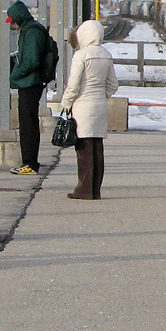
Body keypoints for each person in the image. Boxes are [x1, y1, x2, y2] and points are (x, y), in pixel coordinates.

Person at [51, 19, 118, 200]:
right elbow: (113, 86)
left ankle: (84, 189)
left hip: (83, 106)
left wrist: (65, 103)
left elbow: (73, 85)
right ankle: (95, 189)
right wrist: (100, 95)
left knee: (84, 149)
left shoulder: (81, 55)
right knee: (97, 148)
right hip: (99, 106)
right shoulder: (106, 55)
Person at [7, 0, 48, 175]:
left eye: (13, 20)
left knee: (28, 124)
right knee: (26, 123)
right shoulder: (29, 29)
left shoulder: (32, 32)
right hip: (29, 82)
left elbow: (31, 61)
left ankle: (30, 163)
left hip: (30, 83)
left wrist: (15, 76)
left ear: (19, 17)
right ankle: (28, 162)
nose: (13, 24)